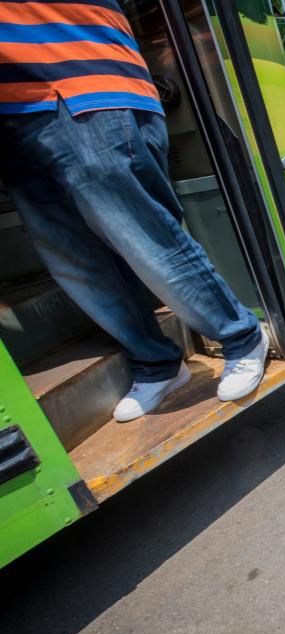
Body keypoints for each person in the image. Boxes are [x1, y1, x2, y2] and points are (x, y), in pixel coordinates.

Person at [0, 0, 269, 422]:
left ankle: (240, 335)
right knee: (73, 257)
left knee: (141, 236)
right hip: (12, 112)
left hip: (75, 76)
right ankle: (157, 362)